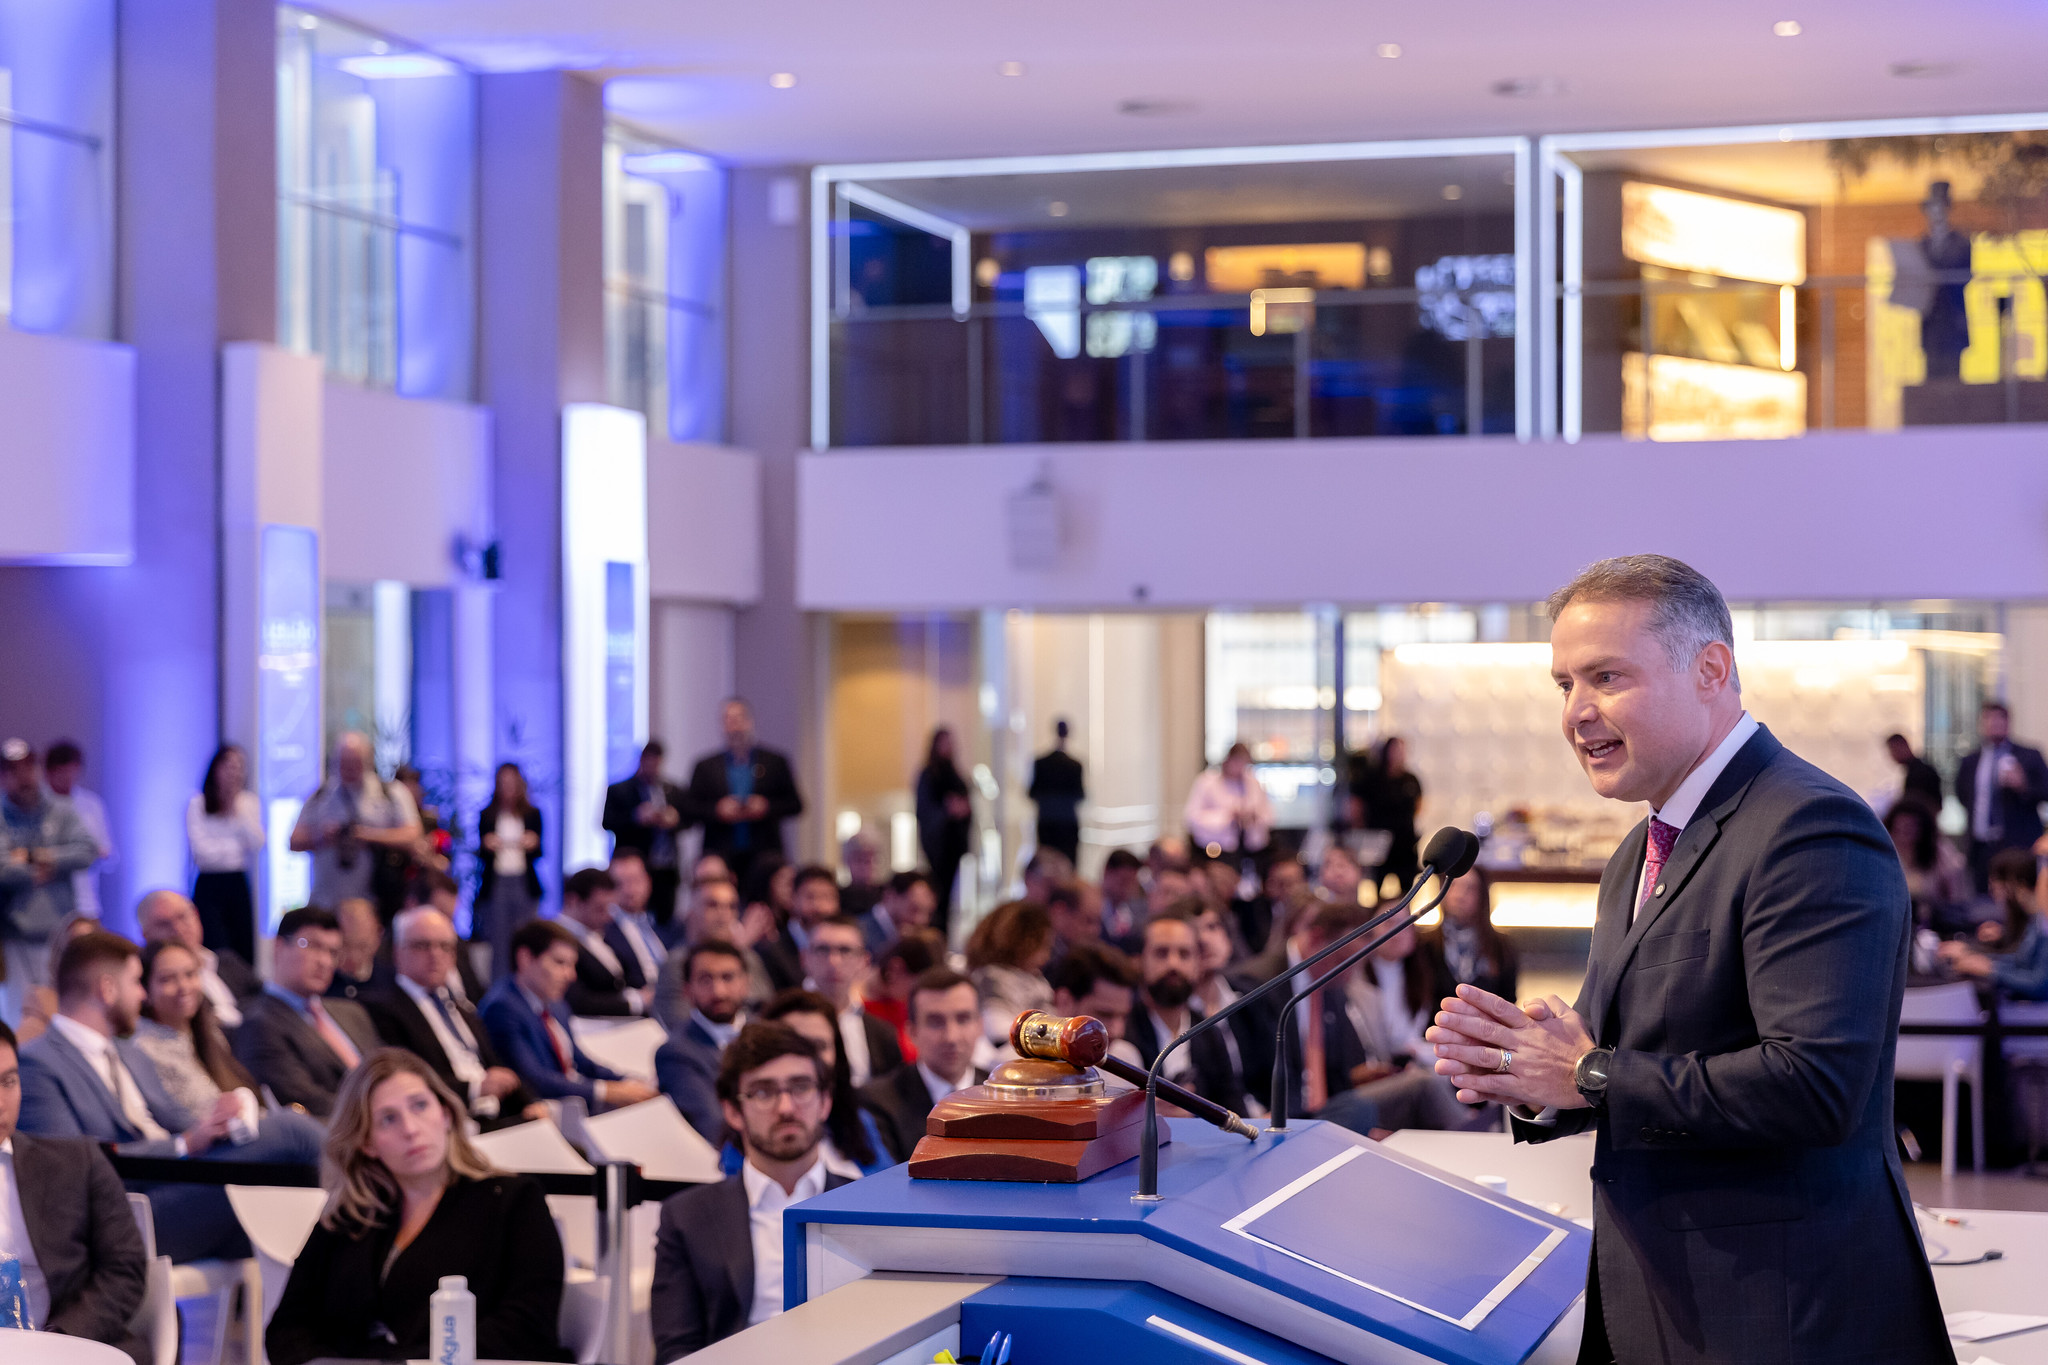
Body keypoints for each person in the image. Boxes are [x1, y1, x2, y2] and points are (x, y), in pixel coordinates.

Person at [1427, 554, 1949, 1363]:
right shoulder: (1637, 852)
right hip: (1660, 1301)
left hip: (1782, 1316)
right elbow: (1623, 1062)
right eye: (1564, 684)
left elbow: (1815, 1086)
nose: (1577, 712)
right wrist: (1528, 1073)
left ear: (1710, 669)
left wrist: (1588, 1073)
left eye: (1607, 677)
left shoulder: (1809, 827)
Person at [17, 931, 322, 1263]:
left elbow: (180, 1121)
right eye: (136, 982)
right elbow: (71, 1171)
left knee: (297, 1198)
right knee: (291, 1131)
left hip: (174, 1185)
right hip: (121, 1215)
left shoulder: (126, 1053)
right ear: (107, 989)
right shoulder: (38, 1063)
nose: (142, 994)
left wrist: (219, 1121)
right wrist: (183, 1145)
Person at [265, 1050, 568, 1365]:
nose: (410, 1129)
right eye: (388, 1119)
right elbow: (287, 1329)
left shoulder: (513, 1201)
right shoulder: (349, 1216)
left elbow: (528, 1327)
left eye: (420, 1106)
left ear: (446, 1114)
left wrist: (398, 1364)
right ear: (366, 1143)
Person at [650, 1023, 850, 1360]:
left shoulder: (865, 1204)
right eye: (763, 1092)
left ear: (825, 1101)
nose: (786, 1107)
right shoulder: (687, 1217)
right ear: (732, 1110)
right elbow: (677, 1349)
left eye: (800, 1087)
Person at [0, 1017, 149, 1363]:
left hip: (65, 1345)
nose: (1, 1102)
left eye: (8, 1081)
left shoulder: (76, 1163)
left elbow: (124, 1268)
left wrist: (60, 1339)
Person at [364, 908, 542, 1132]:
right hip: (447, 1121)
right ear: (398, 951)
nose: (435, 954)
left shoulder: (459, 1007)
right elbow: (405, 1078)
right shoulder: (382, 1008)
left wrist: (528, 1103)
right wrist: (475, 1089)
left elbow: (496, 1065)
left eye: (445, 947)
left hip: (495, 1115)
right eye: (422, 945)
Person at [478, 921, 658, 1114]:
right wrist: (608, 1092)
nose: (571, 975)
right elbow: (535, 1079)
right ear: (526, 958)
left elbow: (582, 1062)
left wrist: (627, 1081)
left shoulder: (556, 1004)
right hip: (544, 1111)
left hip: (573, 1105)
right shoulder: (503, 1008)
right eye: (560, 963)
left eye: (572, 965)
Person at [235, 906, 382, 1118]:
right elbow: (305, 1102)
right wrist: (381, 1111)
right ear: (278, 947)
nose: (325, 961)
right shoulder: (259, 1024)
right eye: (312, 946)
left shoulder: (352, 1012)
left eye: (333, 952)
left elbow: (386, 1068)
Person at [0, 740, 99, 1027]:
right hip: (15, 935)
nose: (23, 777)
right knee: (20, 1017)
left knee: (65, 1015)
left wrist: (35, 856)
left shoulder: (62, 810)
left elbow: (87, 851)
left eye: (29, 767)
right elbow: (2, 868)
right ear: (3, 777)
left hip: (61, 931)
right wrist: (46, 867)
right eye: (13, 771)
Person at [1123, 908, 1256, 1113]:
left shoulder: (1208, 1033)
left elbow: (1233, 1110)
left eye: (1184, 954)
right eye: (1161, 953)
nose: (1173, 964)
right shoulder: (1125, 1029)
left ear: (1197, 964)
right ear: (1139, 961)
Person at [859, 968, 986, 1163]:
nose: (951, 1037)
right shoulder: (878, 1103)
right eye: (935, 1022)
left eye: (963, 1019)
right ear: (912, 1032)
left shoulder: (1005, 1096)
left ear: (980, 1026)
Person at [758, 990, 893, 1175]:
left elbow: (888, 1183)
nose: (809, 1058)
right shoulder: (753, 1130)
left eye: (820, 1046)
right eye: (796, 1045)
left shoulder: (859, 1121)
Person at [289, 732, 421, 917]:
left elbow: (413, 835)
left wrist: (368, 835)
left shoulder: (391, 793)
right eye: (343, 762)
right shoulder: (321, 796)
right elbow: (293, 841)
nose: (349, 768)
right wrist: (322, 837)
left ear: (368, 761)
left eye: (355, 762)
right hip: (327, 901)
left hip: (377, 901)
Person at [133, 939, 261, 1121]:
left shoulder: (208, 1032)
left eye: (190, 974)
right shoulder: (143, 1048)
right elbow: (183, 1118)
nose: (183, 987)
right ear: (145, 990)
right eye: (167, 979)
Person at [683, 699, 804, 886]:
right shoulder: (706, 766)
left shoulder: (774, 762)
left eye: (739, 719)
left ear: (750, 721)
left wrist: (766, 807)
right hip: (721, 853)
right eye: (728, 720)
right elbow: (689, 809)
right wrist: (717, 810)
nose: (734, 726)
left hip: (764, 854)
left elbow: (795, 804)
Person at [655, 940, 752, 1143]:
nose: (718, 991)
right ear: (687, 990)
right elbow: (714, 1127)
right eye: (705, 980)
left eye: (728, 977)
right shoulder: (676, 1053)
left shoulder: (768, 1031)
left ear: (746, 984)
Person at [657, 872, 774, 1027]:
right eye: (712, 905)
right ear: (692, 912)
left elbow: (770, 1012)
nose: (723, 914)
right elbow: (679, 1025)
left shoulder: (749, 957)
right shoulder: (676, 964)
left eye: (731, 906)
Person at [1956, 700, 2048, 892]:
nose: (1994, 724)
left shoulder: (2028, 755)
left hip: (2017, 844)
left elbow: (2045, 791)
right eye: (1989, 719)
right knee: (1981, 897)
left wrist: (2023, 786)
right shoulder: (1971, 760)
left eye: (1999, 720)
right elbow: (1962, 794)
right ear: (1981, 723)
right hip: (1980, 844)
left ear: (2008, 723)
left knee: (2019, 895)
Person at [800, 915, 902, 1087]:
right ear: (804, 958)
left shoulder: (882, 1033)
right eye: (822, 950)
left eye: (845, 950)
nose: (833, 961)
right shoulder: (780, 1021)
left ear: (864, 962)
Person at [187, 744, 267, 962]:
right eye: (229, 766)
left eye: (239, 767)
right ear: (216, 768)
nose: (235, 773)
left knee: (242, 947)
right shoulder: (198, 803)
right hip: (209, 884)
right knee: (215, 946)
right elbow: (202, 853)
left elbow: (257, 843)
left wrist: (237, 809)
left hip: (237, 881)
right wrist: (235, 848)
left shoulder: (248, 803)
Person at [136, 888, 258, 1031]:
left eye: (182, 917)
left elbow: (266, 1003)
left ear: (197, 916)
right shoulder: (146, 982)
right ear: (146, 935)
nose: (178, 929)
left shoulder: (228, 961)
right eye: (164, 924)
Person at [1939, 847, 2048, 1000]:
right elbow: (2021, 960)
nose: (1992, 889)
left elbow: (2040, 983)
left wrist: (1991, 969)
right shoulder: (2037, 922)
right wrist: (1980, 959)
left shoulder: (2041, 923)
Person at [602, 741, 686, 930]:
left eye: (657, 763)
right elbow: (607, 822)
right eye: (649, 762)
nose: (653, 768)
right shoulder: (620, 789)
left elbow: (689, 819)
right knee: (630, 914)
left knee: (665, 919)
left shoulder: (671, 789)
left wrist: (673, 819)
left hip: (666, 866)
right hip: (635, 864)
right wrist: (636, 817)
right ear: (641, 760)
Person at [476, 761, 543, 982]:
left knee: (524, 939)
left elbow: (540, 851)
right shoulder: (488, 815)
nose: (508, 787)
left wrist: (532, 843)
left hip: (523, 882)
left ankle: (526, 985)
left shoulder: (532, 814)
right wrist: (487, 844)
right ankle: (499, 988)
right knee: (499, 940)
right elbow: (480, 853)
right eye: (503, 782)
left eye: (512, 782)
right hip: (497, 883)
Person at [555, 866, 649, 1018]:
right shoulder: (557, 940)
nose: (608, 916)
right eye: (599, 908)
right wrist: (638, 1001)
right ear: (573, 901)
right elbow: (578, 1001)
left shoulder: (601, 933)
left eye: (610, 908)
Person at [965, 900, 1054, 1046]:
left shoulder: (1035, 981)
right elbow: (998, 1033)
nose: (1047, 957)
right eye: (1043, 946)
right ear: (1022, 942)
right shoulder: (990, 980)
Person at [42, 741, 111, 927]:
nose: (68, 777)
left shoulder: (91, 804)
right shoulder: (37, 806)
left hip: (88, 903)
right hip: (48, 904)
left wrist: (96, 853)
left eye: (73, 770)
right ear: (49, 771)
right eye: (62, 771)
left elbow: (107, 853)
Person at [915, 727, 974, 934]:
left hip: (953, 844)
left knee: (949, 894)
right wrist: (947, 810)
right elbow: (925, 810)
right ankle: (935, 931)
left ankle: (944, 932)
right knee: (937, 891)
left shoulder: (956, 774)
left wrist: (962, 809)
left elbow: (967, 805)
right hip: (938, 844)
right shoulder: (929, 775)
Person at [1047, 943, 1143, 1069]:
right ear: (1064, 1002)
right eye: (1104, 1014)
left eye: (1124, 1017)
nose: (1117, 1031)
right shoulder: (1028, 1065)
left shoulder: (1126, 1056)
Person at [1885, 797, 1972, 935]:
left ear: (1923, 830)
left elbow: (1957, 897)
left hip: (1934, 927)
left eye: (1909, 829)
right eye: (1899, 829)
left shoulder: (1940, 852)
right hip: (1892, 925)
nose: (1903, 835)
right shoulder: (1884, 852)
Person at [1429, 869, 1519, 1002]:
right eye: (1453, 885)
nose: (1459, 895)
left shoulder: (1500, 946)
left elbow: (1508, 1000)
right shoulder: (1426, 943)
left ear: (1482, 896)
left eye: (1470, 888)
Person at [1184, 743, 1273, 870]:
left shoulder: (1253, 783)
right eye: (1236, 762)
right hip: (1215, 848)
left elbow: (1269, 815)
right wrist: (1228, 816)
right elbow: (1191, 817)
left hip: (1249, 848)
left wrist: (1253, 817)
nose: (1239, 767)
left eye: (1244, 763)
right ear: (1228, 760)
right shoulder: (1206, 782)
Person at [862, 930, 945, 1065]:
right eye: (918, 987)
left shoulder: (904, 1003)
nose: (920, 995)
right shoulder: (854, 1005)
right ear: (896, 968)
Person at [1358, 736, 1424, 893]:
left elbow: (1419, 805)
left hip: (1405, 841)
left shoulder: (1410, 779)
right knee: (1377, 886)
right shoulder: (1373, 779)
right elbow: (1358, 808)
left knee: (1408, 888)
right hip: (1379, 842)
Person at [607, 848, 670, 990]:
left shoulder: (661, 925)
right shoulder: (605, 930)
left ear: (648, 881)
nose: (629, 890)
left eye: (635, 880)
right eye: (619, 883)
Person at [1028, 719, 1087, 865]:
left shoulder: (1041, 763)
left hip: (1047, 824)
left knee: (1048, 864)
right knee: (1065, 864)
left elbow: (1032, 793)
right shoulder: (1074, 765)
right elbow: (1080, 795)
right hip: (1066, 825)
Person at [328, 897, 395, 1001]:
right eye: (346, 945)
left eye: (362, 947)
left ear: (379, 935)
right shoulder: (320, 981)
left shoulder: (392, 983)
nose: (353, 956)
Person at [858, 870, 933, 961]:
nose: (922, 920)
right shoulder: (859, 931)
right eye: (914, 909)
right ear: (891, 896)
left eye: (929, 913)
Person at [1099, 848, 1146, 950]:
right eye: (1124, 881)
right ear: (1107, 872)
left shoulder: (1136, 911)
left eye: (1133, 882)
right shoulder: (1090, 907)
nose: (1128, 889)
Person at [1885, 733, 1944, 812]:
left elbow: (1924, 804)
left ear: (1902, 746)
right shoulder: (1916, 770)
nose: (1892, 755)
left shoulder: (1920, 773)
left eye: (1893, 750)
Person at [838, 831, 884, 921]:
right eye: (859, 860)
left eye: (868, 860)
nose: (864, 867)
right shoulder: (839, 896)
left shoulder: (885, 895)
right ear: (847, 861)